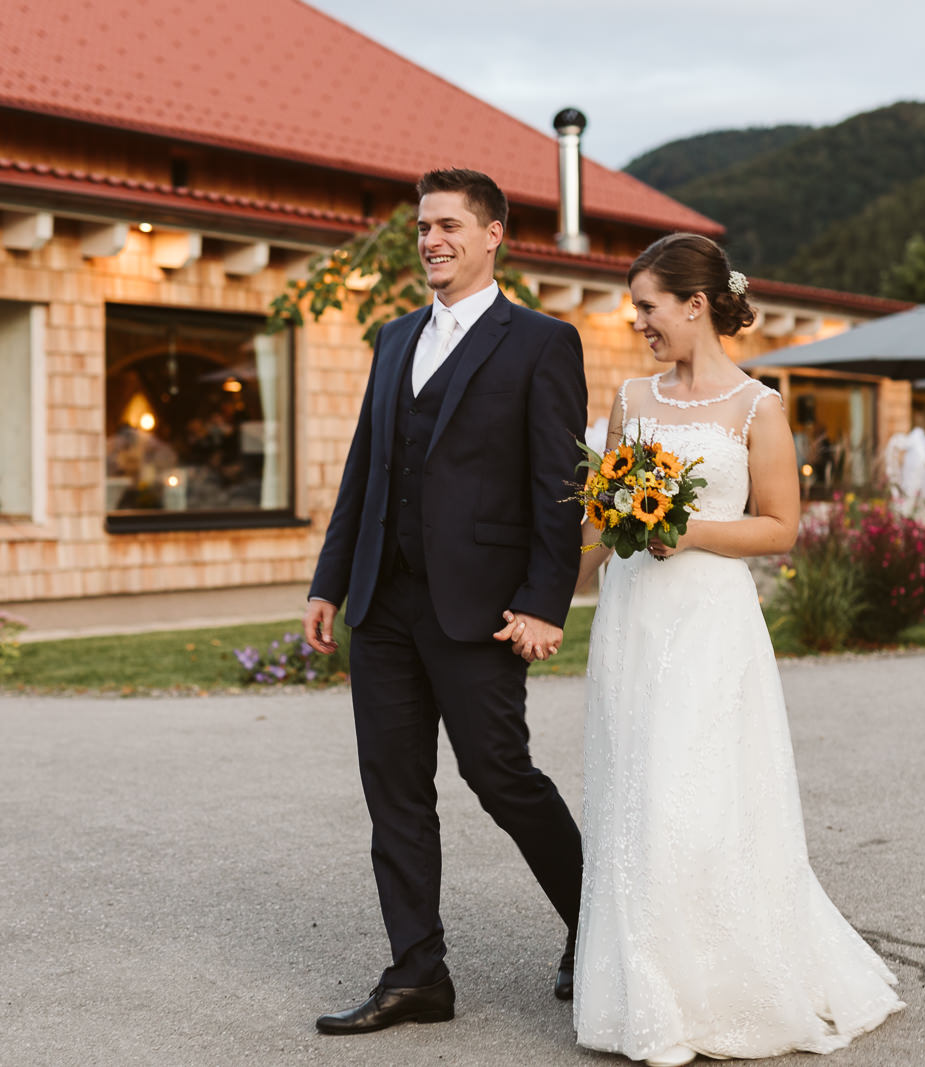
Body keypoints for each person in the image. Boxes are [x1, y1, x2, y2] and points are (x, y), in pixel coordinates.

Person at [573, 234, 904, 1065]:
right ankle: (648, 996)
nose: (638, 322)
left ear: (696, 305)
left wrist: (686, 529)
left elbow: (781, 526)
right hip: (633, 616)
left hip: (709, 623)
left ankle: (720, 987)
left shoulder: (759, 407)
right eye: (635, 308)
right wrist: (568, 565)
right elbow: (600, 519)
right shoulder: (630, 398)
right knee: (633, 790)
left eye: (648, 306)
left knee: (694, 794)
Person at [303, 168, 589, 1036]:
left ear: (494, 234)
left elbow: (559, 486)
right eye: (424, 226)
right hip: (383, 602)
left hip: (482, 607)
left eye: (449, 225)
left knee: (501, 775)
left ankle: (598, 924)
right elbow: (364, 467)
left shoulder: (542, 342)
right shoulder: (394, 337)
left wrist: (546, 601)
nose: (431, 239)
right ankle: (417, 972)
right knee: (393, 786)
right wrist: (329, 580)